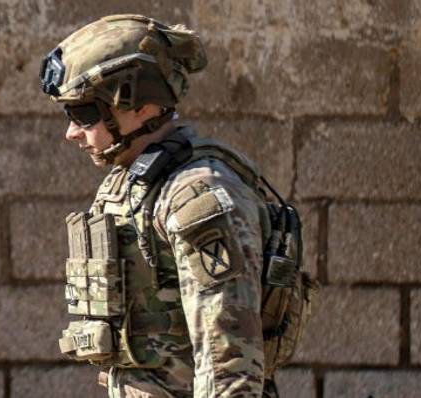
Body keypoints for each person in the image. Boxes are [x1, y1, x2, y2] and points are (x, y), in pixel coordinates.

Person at [40, 14, 313, 397]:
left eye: (83, 114)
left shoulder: (196, 197)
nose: (71, 132)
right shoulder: (132, 182)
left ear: (141, 105)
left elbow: (228, 364)